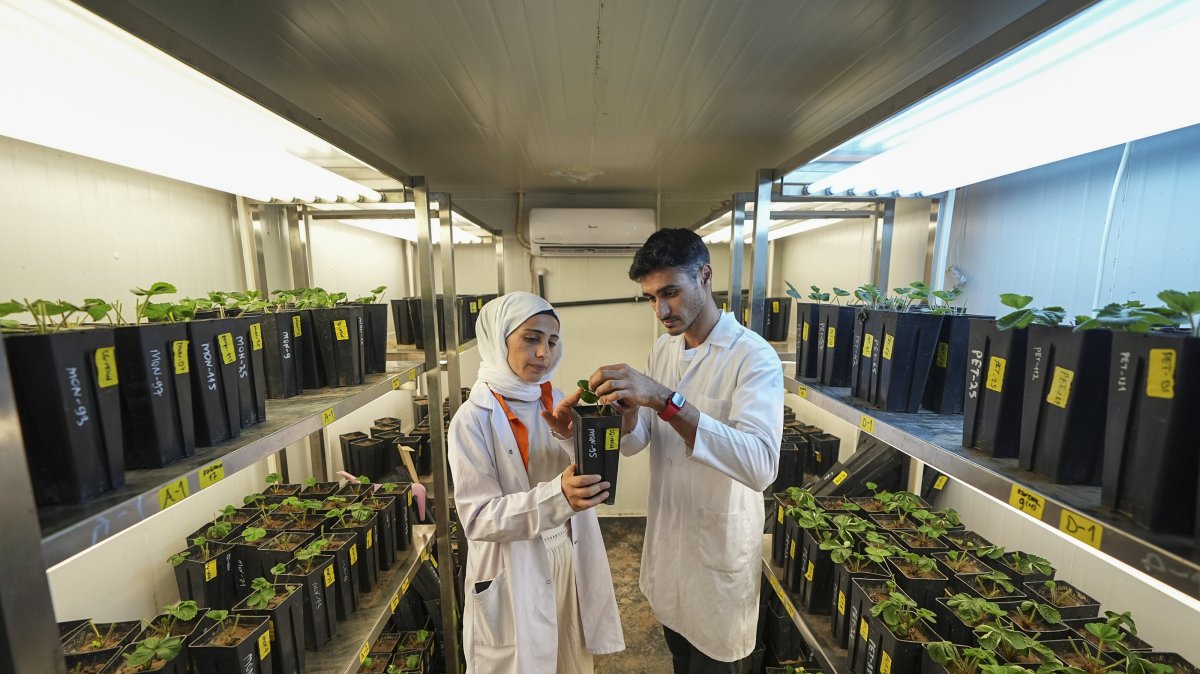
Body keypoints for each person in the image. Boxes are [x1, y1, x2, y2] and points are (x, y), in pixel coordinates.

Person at [586, 228, 783, 673]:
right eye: (650, 297)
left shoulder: (753, 357)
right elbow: (641, 443)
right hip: (670, 552)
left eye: (670, 292)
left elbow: (759, 465)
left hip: (718, 562)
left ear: (705, 276)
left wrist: (664, 399)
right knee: (680, 659)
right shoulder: (664, 349)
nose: (660, 309)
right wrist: (626, 416)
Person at [448, 291, 624, 674]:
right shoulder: (472, 419)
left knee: (571, 661)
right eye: (531, 338)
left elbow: (579, 475)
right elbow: (478, 519)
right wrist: (557, 495)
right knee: (526, 661)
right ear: (499, 338)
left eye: (552, 341)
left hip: (567, 552)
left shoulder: (557, 400)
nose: (544, 352)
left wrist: (569, 438)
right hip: (515, 565)